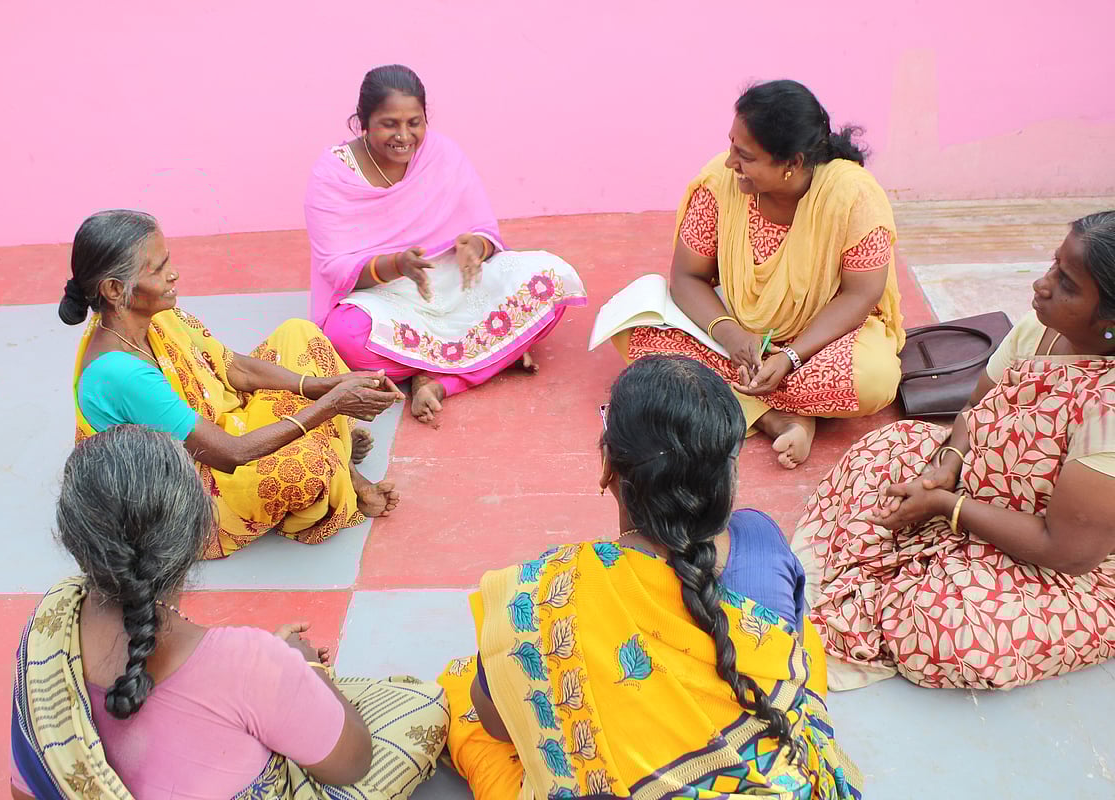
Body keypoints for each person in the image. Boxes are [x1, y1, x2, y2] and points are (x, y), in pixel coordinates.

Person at [436, 356, 863, 800]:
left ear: (608, 466)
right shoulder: (758, 535)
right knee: (801, 639)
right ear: (727, 481)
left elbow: (498, 724)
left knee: (470, 693)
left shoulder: (544, 591)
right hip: (786, 782)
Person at [10, 425, 448, 799]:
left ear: (72, 535)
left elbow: (24, 782)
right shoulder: (251, 663)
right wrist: (304, 666)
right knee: (422, 704)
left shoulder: (50, 623)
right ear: (200, 531)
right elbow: (353, 764)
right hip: (271, 685)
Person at [793, 212, 1115, 691]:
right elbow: (974, 408)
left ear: (1109, 322)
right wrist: (945, 466)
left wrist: (949, 507)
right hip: (979, 491)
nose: (1041, 284)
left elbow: (1066, 551)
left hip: (1063, 560)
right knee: (889, 446)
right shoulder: (1037, 329)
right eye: (1052, 266)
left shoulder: (1108, 411)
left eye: (1066, 283)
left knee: (943, 627)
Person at [60, 210, 404, 559]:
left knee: (299, 334)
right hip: (188, 492)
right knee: (307, 467)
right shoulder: (122, 375)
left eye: (168, 263)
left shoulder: (154, 316)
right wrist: (331, 405)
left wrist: (324, 386)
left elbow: (233, 368)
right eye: (158, 269)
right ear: (115, 289)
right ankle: (343, 463)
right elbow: (231, 454)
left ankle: (339, 455)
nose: (173, 274)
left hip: (218, 429)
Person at [613, 79, 904, 469]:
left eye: (745, 155)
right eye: (732, 145)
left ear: (792, 164)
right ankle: (782, 417)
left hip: (824, 340)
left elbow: (860, 294)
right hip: (738, 342)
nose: (731, 162)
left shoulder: (853, 196)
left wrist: (790, 357)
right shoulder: (719, 183)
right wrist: (731, 334)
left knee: (874, 378)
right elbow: (686, 276)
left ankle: (746, 402)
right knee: (632, 333)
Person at [305, 64, 587, 426]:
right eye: (390, 123)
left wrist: (475, 247)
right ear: (364, 120)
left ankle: (432, 379)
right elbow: (336, 267)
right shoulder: (333, 174)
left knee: (552, 278)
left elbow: (483, 231)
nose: (404, 136)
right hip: (385, 294)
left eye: (415, 122)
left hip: (454, 280)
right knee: (346, 335)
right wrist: (397, 265)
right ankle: (487, 356)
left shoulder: (442, 154)